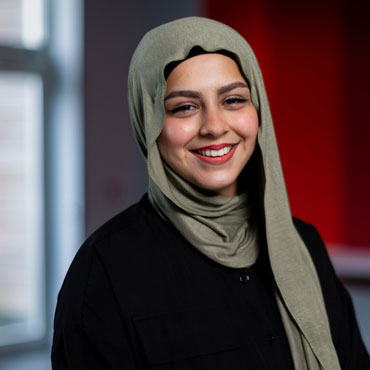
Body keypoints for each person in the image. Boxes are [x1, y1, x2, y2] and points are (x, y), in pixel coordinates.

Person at [51, 17, 370, 369]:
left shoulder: (304, 244)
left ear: (258, 110)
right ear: (150, 121)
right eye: (185, 107)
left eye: (233, 100)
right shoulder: (105, 272)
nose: (215, 126)